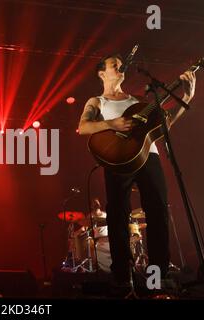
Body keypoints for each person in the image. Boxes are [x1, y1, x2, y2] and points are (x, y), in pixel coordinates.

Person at [77, 54, 196, 285]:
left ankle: (158, 273)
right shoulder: (97, 101)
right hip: (118, 158)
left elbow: (167, 122)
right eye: (115, 65)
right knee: (118, 213)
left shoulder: (139, 100)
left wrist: (188, 95)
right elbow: (83, 127)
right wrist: (112, 124)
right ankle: (121, 273)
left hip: (148, 155)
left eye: (121, 64)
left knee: (158, 211)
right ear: (102, 73)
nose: (121, 67)